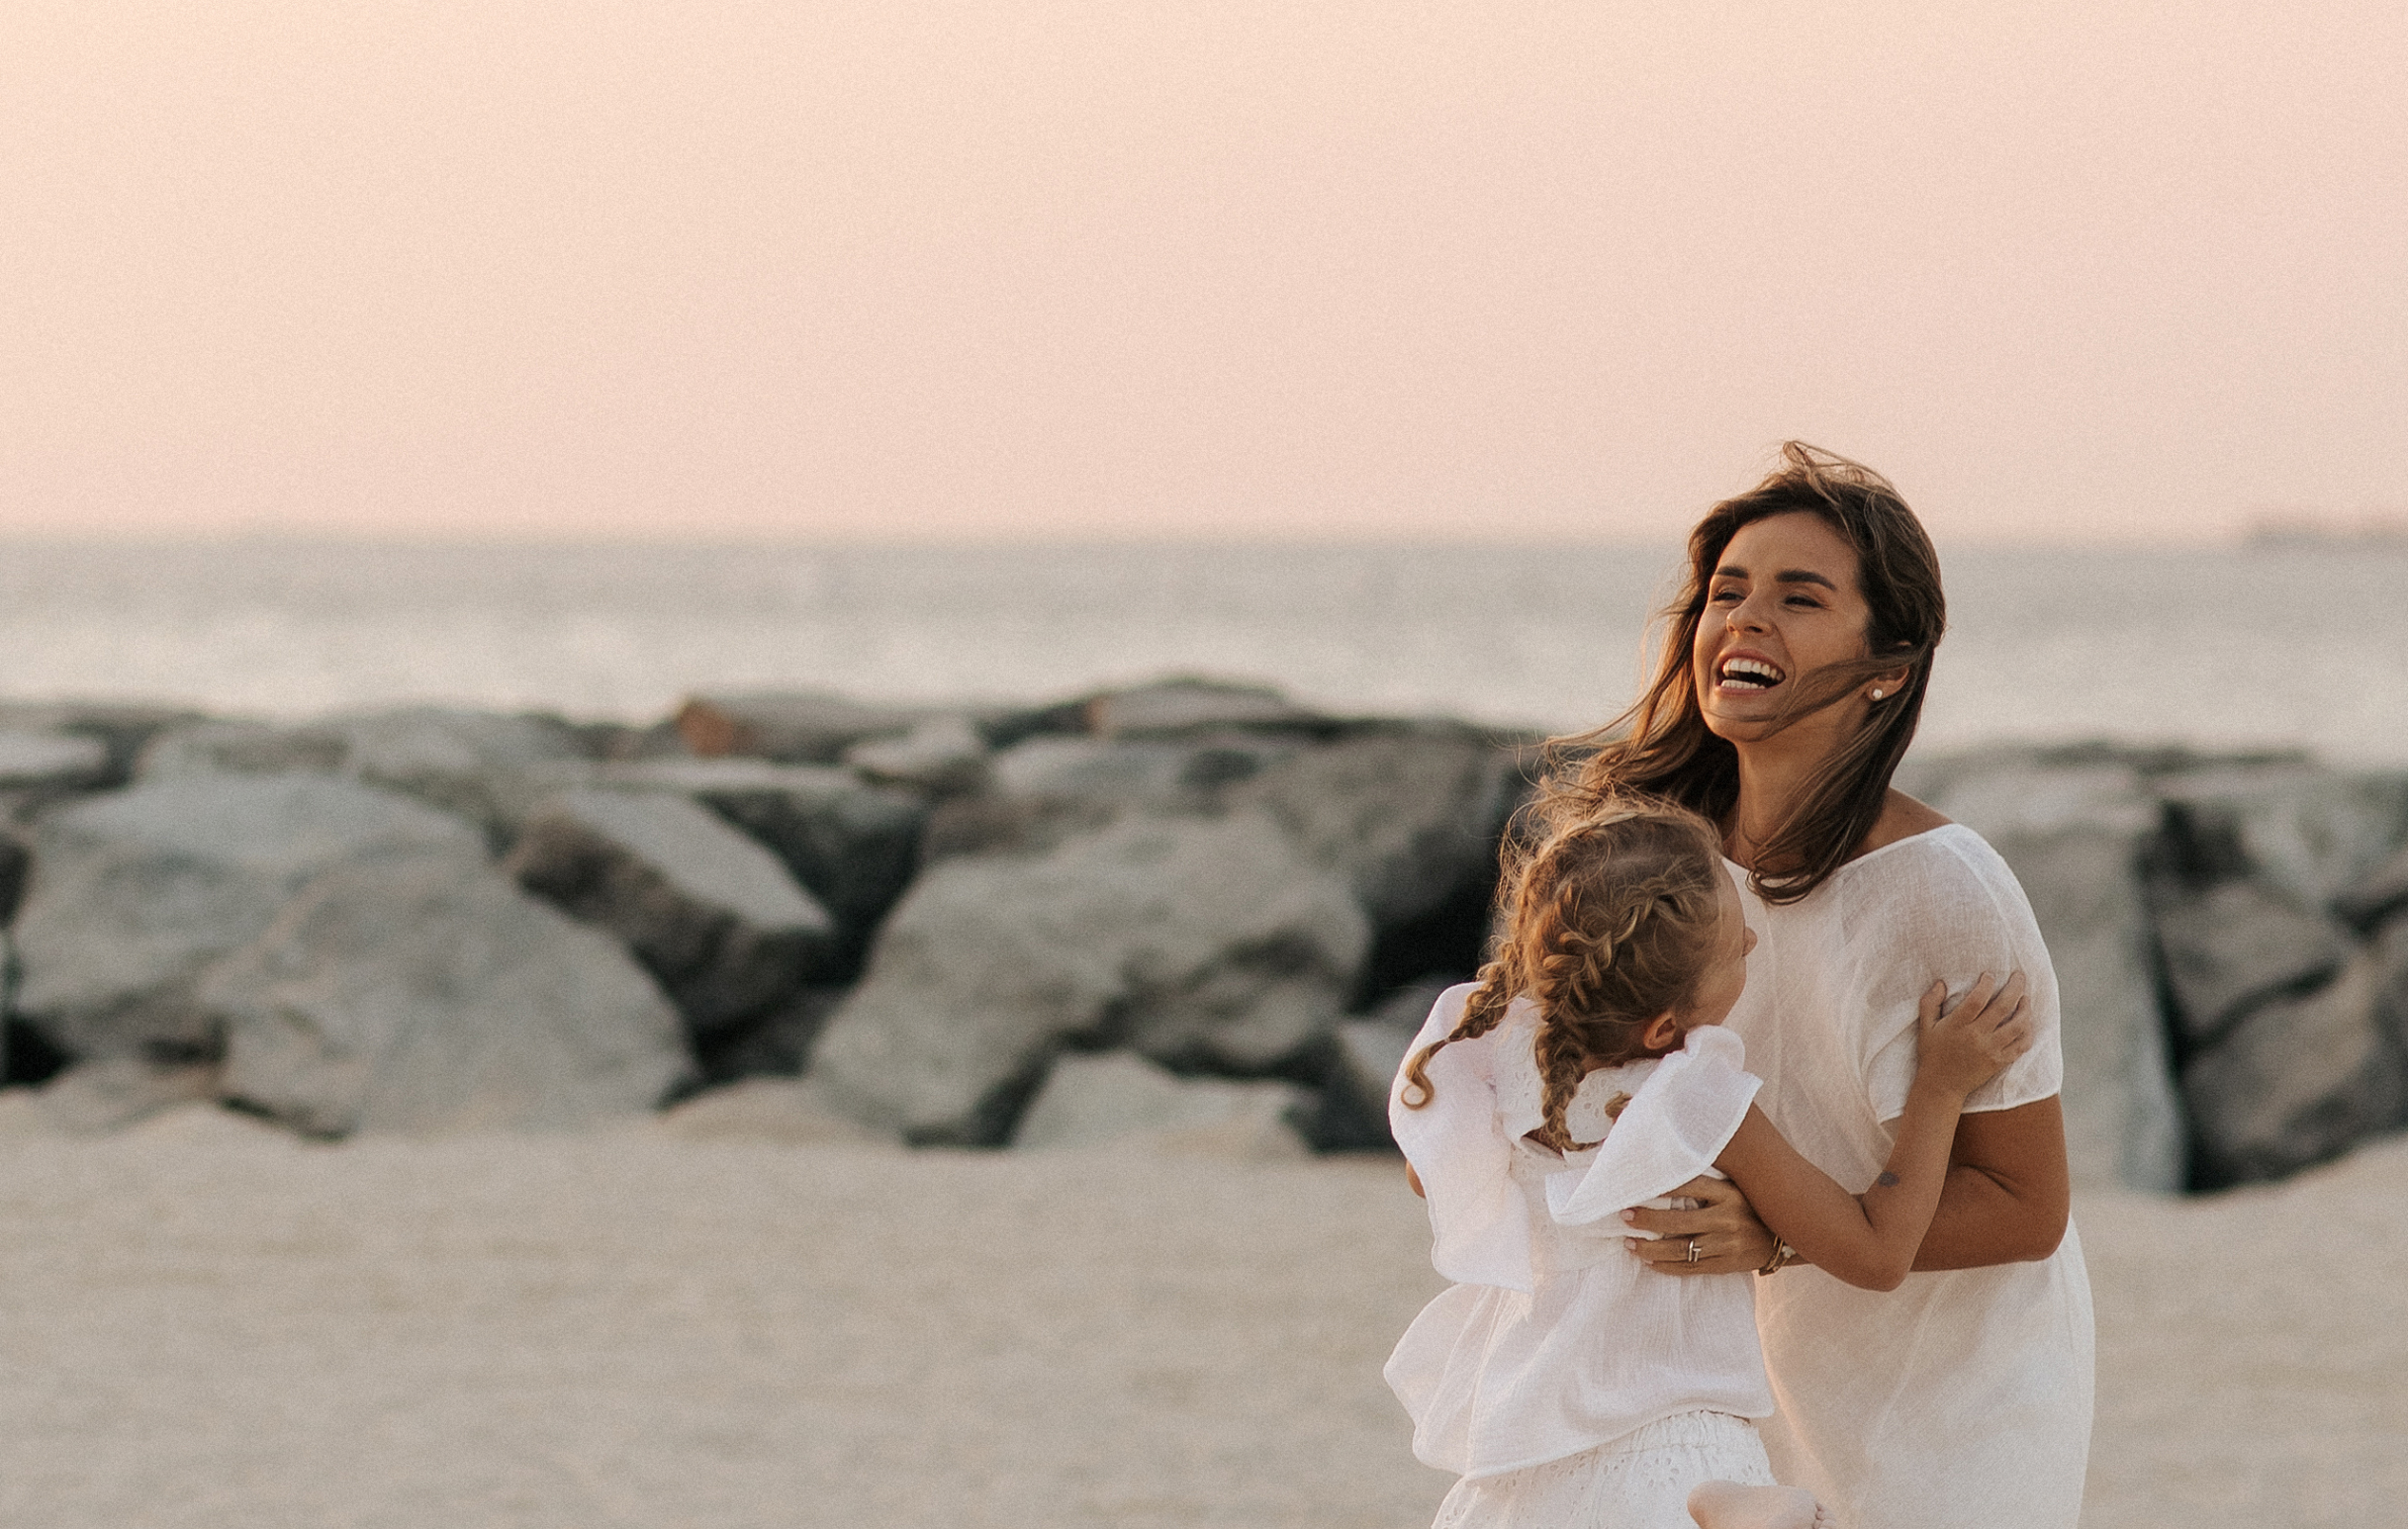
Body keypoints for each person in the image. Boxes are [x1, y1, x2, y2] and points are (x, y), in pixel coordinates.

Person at [1546, 443, 2096, 1527]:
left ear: (1887, 663)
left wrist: (1777, 1231)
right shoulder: (1659, 860)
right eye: (1726, 593)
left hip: (1953, 1395)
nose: (1743, 620)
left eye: (1799, 598)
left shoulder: (1945, 892)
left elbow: (2028, 1207)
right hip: (1730, 1373)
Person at [1384, 800, 2033, 1529]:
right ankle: (1720, 1504)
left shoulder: (1490, 1057)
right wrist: (1939, 1088)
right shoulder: (1684, 1095)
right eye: (1736, 949)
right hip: (1679, 1427)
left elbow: (1427, 1175)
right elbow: (1876, 1250)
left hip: (1528, 1432)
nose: (1754, 937)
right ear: (1665, 1028)